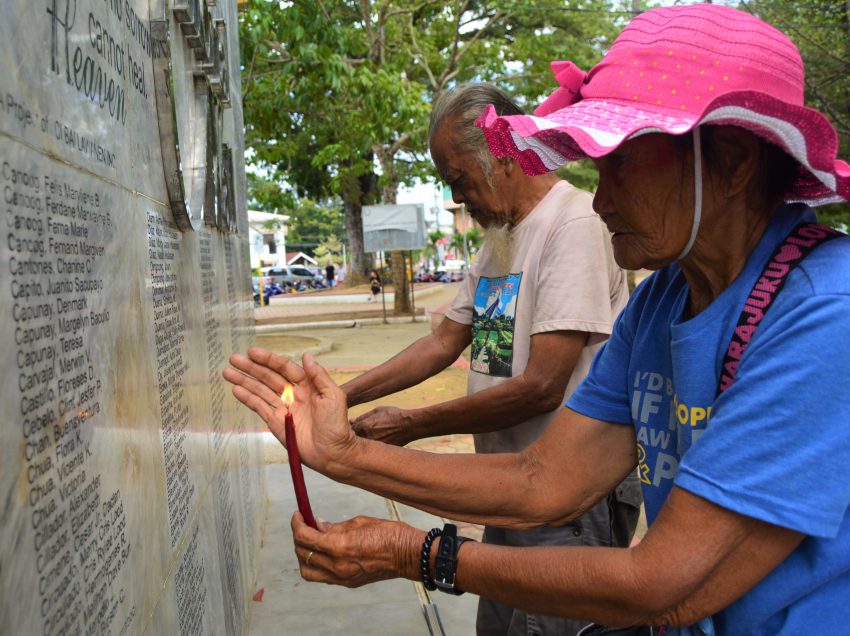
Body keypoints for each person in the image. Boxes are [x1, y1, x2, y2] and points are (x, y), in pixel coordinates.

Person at [224, 5, 850, 634]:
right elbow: (544, 478)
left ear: (734, 160)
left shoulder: (824, 316)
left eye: (623, 163)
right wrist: (340, 452)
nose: (602, 199)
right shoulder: (661, 300)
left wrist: (415, 552)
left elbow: (661, 585)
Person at [341, 84, 638, 635]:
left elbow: (543, 385)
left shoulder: (572, 224)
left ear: (501, 156)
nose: (457, 198)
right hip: (512, 488)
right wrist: (341, 396)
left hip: (569, 496)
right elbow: (443, 342)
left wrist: (411, 425)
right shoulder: (500, 238)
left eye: (457, 179)